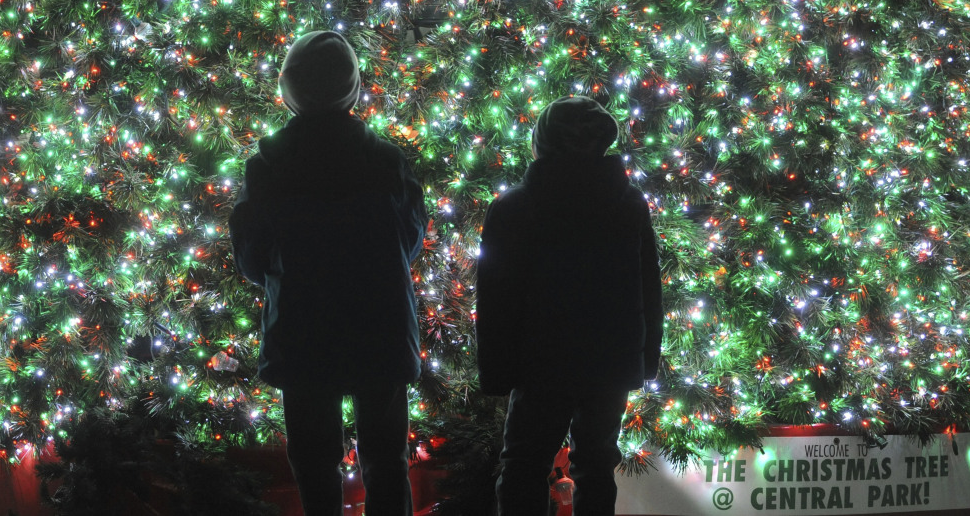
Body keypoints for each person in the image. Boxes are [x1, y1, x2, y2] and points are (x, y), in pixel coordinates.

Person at [229, 30, 428, 516]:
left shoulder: (269, 166)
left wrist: (281, 277)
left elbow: (252, 252)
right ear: (352, 87)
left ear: (290, 89)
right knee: (387, 459)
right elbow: (411, 237)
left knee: (315, 461)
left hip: (302, 327)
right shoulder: (384, 159)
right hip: (379, 325)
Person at [475, 96, 664, 516]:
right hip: (609, 361)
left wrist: (496, 370)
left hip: (541, 362)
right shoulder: (627, 204)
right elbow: (648, 291)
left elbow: (496, 300)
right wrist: (643, 358)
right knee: (596, 465)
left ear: (540, 144)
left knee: (524, 465)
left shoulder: (514, 208)